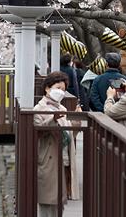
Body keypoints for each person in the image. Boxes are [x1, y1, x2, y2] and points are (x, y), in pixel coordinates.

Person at [33, 71, 78, 216]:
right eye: (57, 88)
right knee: (47, 202)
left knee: (59, 203)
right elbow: (38, 130)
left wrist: (76, 121)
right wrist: (52, 119)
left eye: (63, 90)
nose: (61, 92)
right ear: (47, 88)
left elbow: (68, 133)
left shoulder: (62, 108)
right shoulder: (38, 109)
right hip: (48, 159)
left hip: (63, 160)